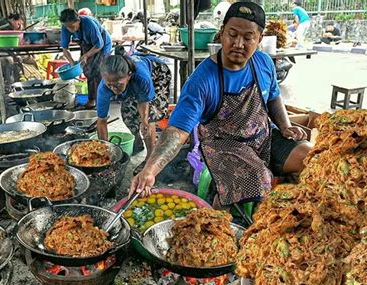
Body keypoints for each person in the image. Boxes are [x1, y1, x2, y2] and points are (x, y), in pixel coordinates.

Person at [130, 2, 313, 210]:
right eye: (232, 34)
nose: (238, 43)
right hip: (223, 145)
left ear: (259, 39)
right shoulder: (202, 79)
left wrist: (285, 126)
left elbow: (273, 96)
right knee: (260, 179)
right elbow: (176, 131)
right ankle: (220, 211)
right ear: (222, 32)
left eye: (248, 37)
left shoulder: (264, 63)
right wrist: (150, 170)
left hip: (264, 138)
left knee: (312, 159)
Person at [96, 47, 171, 174]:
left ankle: (150, 158)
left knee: (150, 116)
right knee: (128, 114)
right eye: (110, 85)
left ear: (128, 76)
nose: (113, 89)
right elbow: (101, 121)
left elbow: (144, 102)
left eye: (118, 84)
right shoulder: (104, 88)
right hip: (134, 83)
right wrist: (104, 151)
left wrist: (144, 122)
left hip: (157, 75)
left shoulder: (141, 78)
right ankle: (137, 141)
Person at [59, 9, 112, 109]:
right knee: (87, 71)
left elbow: (99, 44)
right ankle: (91, 100)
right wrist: (72, 62)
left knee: (98, 72)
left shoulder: (88, 23)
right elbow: (65, 48)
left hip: (102, 45)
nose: (70, 29)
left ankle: (101, 102)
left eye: (72, 26)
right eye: (68, 27)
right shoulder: (65, 27)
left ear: (78, 20)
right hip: (88, 45)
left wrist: (86, 55)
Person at [0, 13, 25, 89]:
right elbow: (8, 46)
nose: (18, 25)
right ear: (13, 20)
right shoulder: (6, 26)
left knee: (17, 58)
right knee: (12, 59)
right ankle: (10, 84)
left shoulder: (6, 23)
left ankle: (15, 83)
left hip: (3, 50)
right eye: (18, 23)